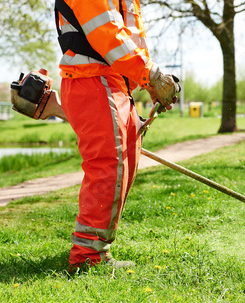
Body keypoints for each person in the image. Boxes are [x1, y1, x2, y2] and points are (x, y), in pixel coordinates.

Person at [54, 0, 180, 269]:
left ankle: (94, 246)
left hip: (113, 82)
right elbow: (106, 31)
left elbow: (128, 36)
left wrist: (147, 81)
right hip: (92, 78)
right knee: (108, 167)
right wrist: (153, 75)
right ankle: (88, 256)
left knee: (125, 163)